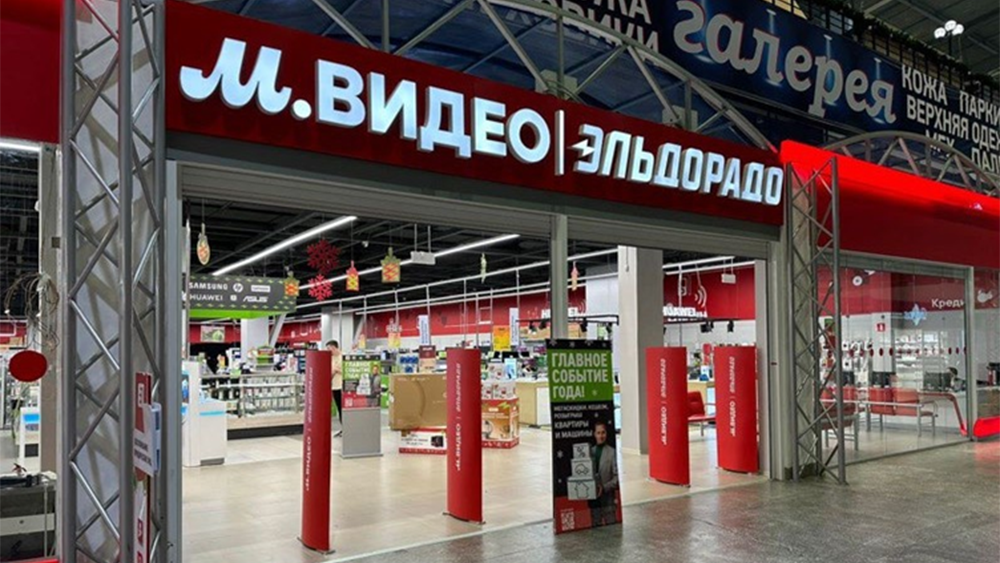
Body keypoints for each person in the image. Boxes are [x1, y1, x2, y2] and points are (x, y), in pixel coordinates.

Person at [588, 421, 619, 526]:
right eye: (598, 433)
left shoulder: (612, 452)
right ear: (594, 434)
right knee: (596, 529)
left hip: (608, 500)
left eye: (603, 432)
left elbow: (616, 478)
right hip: (594, 501)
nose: (601, 436)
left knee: (611, 529)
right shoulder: (590, 452)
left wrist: (604, 488)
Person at [327, 340, 343, 437]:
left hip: (342, 386)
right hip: (334, 386)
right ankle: (342, 428)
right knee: (339, 408)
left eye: (329, 348)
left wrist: (336, 370)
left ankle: (347, 428)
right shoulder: (331, 359)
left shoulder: (343, 357)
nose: (328, 351)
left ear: (334, 347)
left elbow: (346, 371)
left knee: (343, 408)